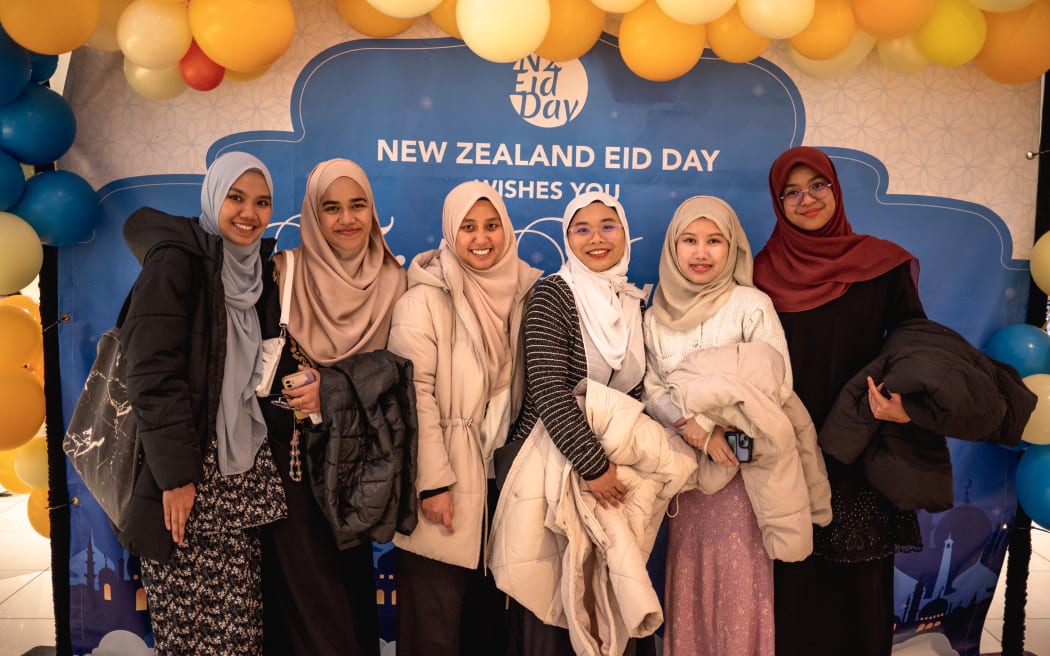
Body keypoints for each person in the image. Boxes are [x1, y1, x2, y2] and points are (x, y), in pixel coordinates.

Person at [753, 146, 924, 656]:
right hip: (787, 457)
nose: (807, 199)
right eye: (792, 192)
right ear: (778, 202)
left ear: (836, 189)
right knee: (794, 590)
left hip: (862, 456)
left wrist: (904, 405)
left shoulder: (881, 264)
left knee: (858, 594)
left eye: (818, 186)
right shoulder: (759, 275)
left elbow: (915, 345)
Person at [120, 152, 287, 655]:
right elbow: (151, 374)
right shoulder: (177, 260)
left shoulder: (256, 272)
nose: (249, 213)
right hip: (187, 480)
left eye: (262, 202)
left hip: (236, 484)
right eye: (236, 197)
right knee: (192, 636)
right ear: (214, 197)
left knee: (240, 636)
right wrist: (175, 478)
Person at [258, 158, 407, 656]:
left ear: (373, 210)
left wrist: (336, 386)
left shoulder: (397, 280)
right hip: (292, 463)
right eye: (331, 208)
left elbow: (401, 372)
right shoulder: (282, 273)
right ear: (312, 215)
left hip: (360, 462)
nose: (346, 219)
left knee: (349, 586)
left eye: (358, 205)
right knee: (307, 594)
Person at [387, 181, 541, 655]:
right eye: (468, 227)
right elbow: (414, 396)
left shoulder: (528, 292)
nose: (482, 238)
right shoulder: (424, 299)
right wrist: (432, 484)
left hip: (503, 489)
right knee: (435, 629)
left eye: (492, 225)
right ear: (450, 233)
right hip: (446, 484)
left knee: (486, 630)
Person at [642, 195, 793, 656]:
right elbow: (652, 390)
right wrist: (695, 431)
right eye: (689, 240)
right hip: (685, 481)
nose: (701, 252)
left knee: (740, 591)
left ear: (733, 249)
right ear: (674, 247)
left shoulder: (751, 304)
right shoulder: (656, 313)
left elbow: (776, 388)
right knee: (691, 588)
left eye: (714, 241)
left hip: (742, 482)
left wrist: (733, 448)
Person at [503, 191, 650, 656]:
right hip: (553, 464)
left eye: (608, 226)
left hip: (611, 468)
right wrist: (593, 466)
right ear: (567, 239)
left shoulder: (630, 302)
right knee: (554, 593)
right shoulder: (553, 295)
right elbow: (547, 390)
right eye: (581, 229)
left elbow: (638, 391)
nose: (596, 239)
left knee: (604, 591)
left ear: (625, 234)